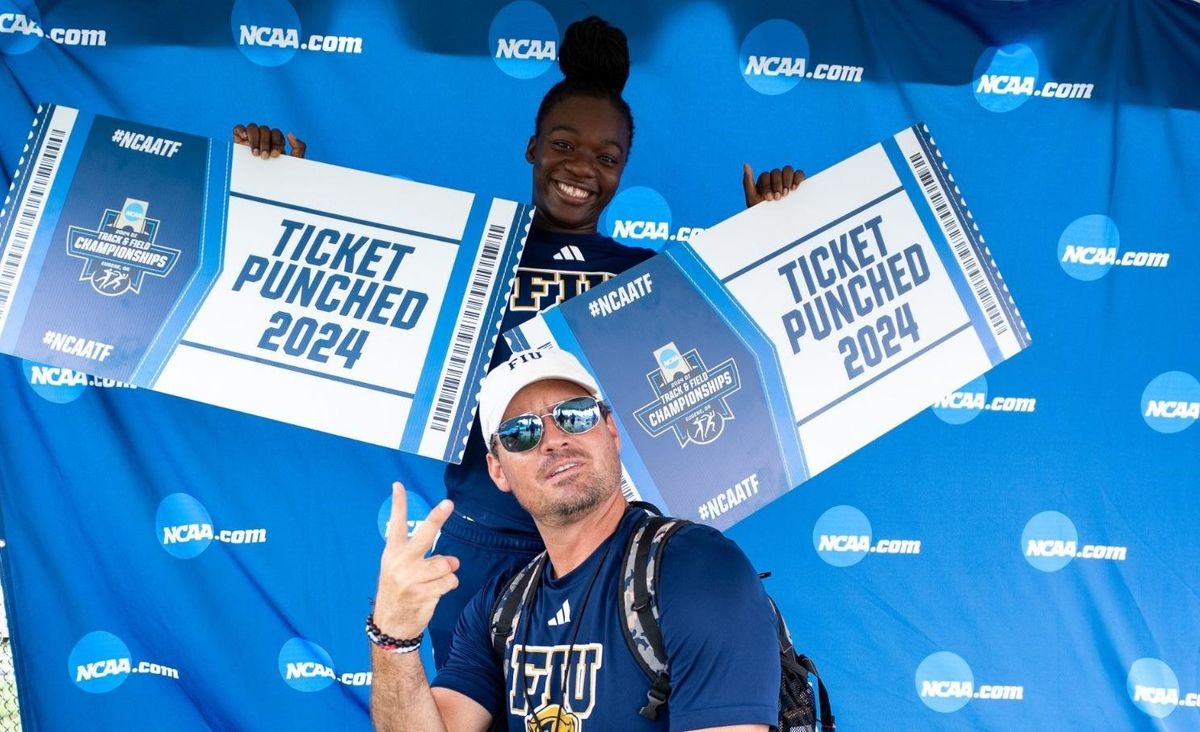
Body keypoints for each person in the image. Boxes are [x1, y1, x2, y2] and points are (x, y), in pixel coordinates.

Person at [235, 16, 803, 669]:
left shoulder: (649, 276)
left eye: (606, 157)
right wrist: (281, 193)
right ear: (532, 147)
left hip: (599, 550)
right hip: (482, 549)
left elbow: (740, 373)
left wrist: (775, 236)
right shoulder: (461, 256)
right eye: (564, 144)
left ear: (622, 170)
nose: (582, 167)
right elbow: (335, 284)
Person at [369, 348, 780, 731]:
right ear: (497, 470)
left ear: (611, 431)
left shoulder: (694, 570)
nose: (553, 439)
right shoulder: (499, 608)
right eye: (521, 433)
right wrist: (394, 636)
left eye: (575, 415)